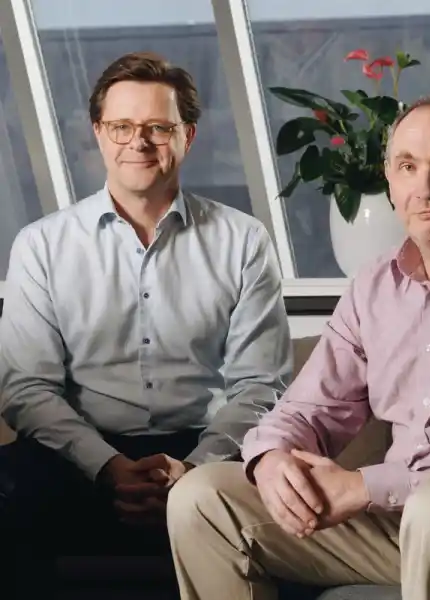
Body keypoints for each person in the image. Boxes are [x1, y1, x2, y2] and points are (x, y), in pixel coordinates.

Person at [165, 95, 430, 600]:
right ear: (390, 180)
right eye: (408, 166)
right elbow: (309, 407)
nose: (427, 187)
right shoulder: (375, 285)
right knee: (200, 498)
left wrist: (366, 486)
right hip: (394, 523)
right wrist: (271, 459)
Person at [0, 52, 292, 598]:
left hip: (206, 448)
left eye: (158, 127)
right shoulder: (40, 245)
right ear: (98, 133)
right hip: (79, 452)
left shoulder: (244, 240)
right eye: (122, 127)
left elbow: (260, 384)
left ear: (188, 136)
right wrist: (107, 465)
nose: (139, 142)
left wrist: (195, 470)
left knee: (287, 488)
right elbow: (26, 389)